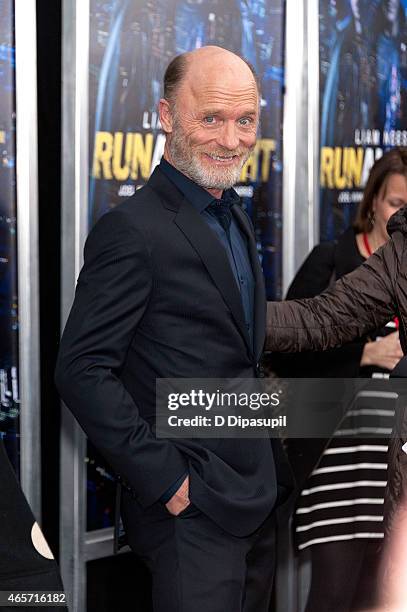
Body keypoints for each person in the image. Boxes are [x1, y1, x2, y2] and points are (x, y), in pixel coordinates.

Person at [55, 46, 293, 612]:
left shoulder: (233, 212)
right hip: (191, 515)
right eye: (210, 118)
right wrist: (169, 483)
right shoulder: (131, 230)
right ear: (166, 116)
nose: (231, 140)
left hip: (255, 499)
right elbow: (81, 370)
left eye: (245, 120)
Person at [267, 148, 407, 612]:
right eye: (394, 201)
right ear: (373, 203)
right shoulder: (345, 260)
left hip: (391, 457)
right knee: (338, 592)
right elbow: (311, 325)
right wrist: (226, 308)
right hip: (342, 458)